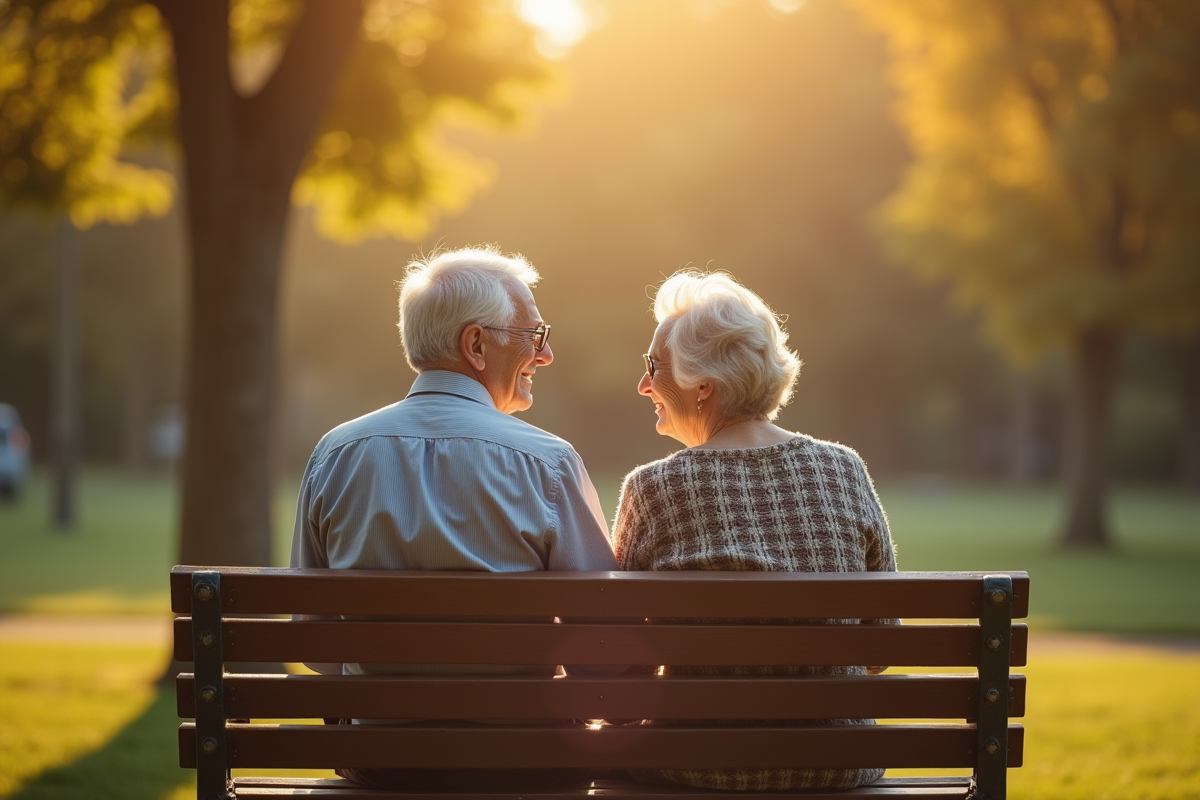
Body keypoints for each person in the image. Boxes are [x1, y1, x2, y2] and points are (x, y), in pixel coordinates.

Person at [291, 245, 617, 791]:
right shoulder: (547, 462)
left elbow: (317, 649)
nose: (546, 354)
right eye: (533, 335)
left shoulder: (335, 454)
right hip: (523, 765)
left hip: (384, 765)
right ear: (476, 345)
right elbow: (607, 660)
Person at [612, 270, 897, 792]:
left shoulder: (653, 488)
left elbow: (622, 673)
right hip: (839, 761)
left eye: (653, 367)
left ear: (703, 385)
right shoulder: (844, 470)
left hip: (699, 765)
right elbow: (879, 649)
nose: (643, 384)